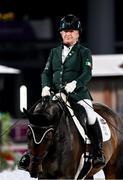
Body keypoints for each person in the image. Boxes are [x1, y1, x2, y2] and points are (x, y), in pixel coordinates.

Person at [18, 14, 105, 170]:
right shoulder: (54, 52)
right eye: (64, 31)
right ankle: (30, 154)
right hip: (56, 96)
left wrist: (75, 84)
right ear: (60, 33)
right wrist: (45, 86)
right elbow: (46, 72)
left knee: (91, 116)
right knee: (38, 116)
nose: (67, 33)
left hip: (78, 95)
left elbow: (87, 73)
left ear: (78, 33)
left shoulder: (84, 52)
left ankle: (98, 152)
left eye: (71, 31)